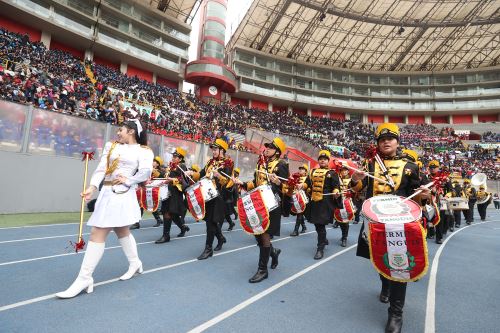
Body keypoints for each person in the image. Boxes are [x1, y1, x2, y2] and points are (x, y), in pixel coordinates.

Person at [56, 120, 153, 299]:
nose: (118, 133)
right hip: (107, 193)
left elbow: (146, 172)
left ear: (131, 132)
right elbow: (102, 169)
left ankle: (84, 278)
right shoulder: (112, 146)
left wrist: (128, 180)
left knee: (97, 232)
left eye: (121, 130)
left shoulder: (143, 150)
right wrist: (92, 187)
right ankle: (135, 262)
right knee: (122, 230)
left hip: (123, 194)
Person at [349, 123, 430, 333]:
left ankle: (396, 313)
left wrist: (424, 195)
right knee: (378, 259)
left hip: (399, 225)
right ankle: (385, 284)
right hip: (374, 224)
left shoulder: (411, 167)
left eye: (391, 138)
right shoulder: (369, 165)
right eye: (382, 139)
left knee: (399, 266)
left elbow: (421, 197)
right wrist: (355, 180)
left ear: (397, 142)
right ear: (377, 143)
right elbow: (356, 189)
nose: (386, 141)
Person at [234, 138, 289, 283]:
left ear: (277, 151)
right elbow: (255, 182)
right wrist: (243, 183)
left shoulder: (282, 165)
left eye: (271, 147)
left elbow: (287, 188)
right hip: (259, 202)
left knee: (264, 234)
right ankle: (273, 252)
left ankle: (262, 270)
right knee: (257, 232)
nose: (267, 149)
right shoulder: (261, 163)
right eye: (267, 147)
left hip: (272, 204)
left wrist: (278, 182)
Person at [186, 139, 233, 259]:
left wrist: (219, 175)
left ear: (222, 150)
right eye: (212, 149)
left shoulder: (227, 163)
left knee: (210, 222)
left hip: (218, 196)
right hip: (206, 195)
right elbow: (201, 174)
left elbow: (227, 181)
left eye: (215, 149)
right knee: (209, 220)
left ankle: (208, 249)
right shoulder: (210, 162)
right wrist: (191, 173)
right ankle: (221, 238)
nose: (213, 151)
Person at [302, 150, 341, 258]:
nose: (322, 160)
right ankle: (323, 239)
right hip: (314, 201)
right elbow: (307, 183)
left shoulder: (332, 173)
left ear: (328, 161)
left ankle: (320, 248)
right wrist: (302, 186)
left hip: (326, 203)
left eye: (324, 159)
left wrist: (336, 191)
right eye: (320, 159)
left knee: (321, 224)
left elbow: (336, 186)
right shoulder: (312, 171)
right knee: (317, 224)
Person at [155, 148, 191, 244]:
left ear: (180, 158)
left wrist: (171, 180)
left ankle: (166, 236)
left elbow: (182, 179)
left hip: (175, 193)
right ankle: (183, 228)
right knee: (173, 215)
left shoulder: (181, 166)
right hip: (168, 192)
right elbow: (166, 177)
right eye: (173, 156)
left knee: (167, 213)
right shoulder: (171, 166)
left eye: (175, 156)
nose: (173, 158)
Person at [130, 156, 164, 229]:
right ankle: (137, 223)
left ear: (158, 164)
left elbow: (161, 176)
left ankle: (158, 219)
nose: (152, 162)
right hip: (143, 189)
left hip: (152, 190)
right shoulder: (147, 169)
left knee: (150, 205)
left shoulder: (158, 171)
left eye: (154, 161)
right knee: (140, 205)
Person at [290, 164, 309, 237]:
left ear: (305, 171)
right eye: (300, 169)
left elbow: (309, 188)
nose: (300, 170)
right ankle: (303, 226)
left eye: (302, 169)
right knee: (299, 213)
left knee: (299, 214)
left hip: (303, 199)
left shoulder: (307, 179)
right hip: (295, 198)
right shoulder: (296, 177)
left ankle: (296, 230)